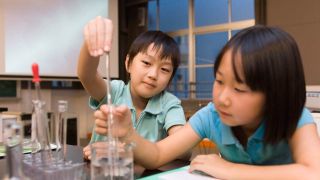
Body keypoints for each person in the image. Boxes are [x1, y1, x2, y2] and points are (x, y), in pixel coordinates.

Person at [94, 25, 320, 179]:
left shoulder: (294, 117)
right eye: (219, 81)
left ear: (276, 94)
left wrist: (231, 170)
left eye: (239, 88)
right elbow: (157, 155)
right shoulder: (211, 116)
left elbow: (313, 173)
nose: (222, 98)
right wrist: (128, 135)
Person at [78, 17, 186, 159]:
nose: (153, 75)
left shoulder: (170, 104)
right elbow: (87, 75)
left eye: (164, 69)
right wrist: (91, 42)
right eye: (147, 63)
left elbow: (184, 151)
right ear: (128, 63)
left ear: (170, 78)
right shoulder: (115, 91)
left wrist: (130, 151)